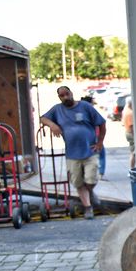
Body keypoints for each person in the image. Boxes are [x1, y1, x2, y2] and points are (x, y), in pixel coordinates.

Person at [41, 86, 105, 220]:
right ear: (59, 97)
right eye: (62, 96)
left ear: (71, 93)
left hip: (90, 151)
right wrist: (52, 125)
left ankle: (90, 191)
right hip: (72, 154)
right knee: (77, 182)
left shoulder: (85, 106)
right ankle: (88, 207)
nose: (65, 97)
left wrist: (99, 142)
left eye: (67, 94)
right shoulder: (57, 109)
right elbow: (43, 118)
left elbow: (102, 123)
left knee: (91, 178)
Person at [82, 95, 108, 181]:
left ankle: (85, 174)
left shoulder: (80, 112)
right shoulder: (92, 112)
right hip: (95, 137)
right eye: (92, 103)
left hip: (85, 137)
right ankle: (100, 174)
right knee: (101, 155)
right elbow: (101, 123)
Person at [122, 97, 136, 169]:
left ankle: (132, 167)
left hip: (127, 132)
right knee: (134, 152)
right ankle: (132, 168)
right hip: (131, 133)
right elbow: (132, 127)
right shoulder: (130, 113)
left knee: (133, 152)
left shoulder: (125, 110)